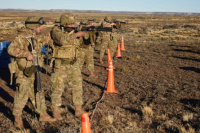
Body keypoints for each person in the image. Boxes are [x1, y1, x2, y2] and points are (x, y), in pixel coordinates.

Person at [7, 16, 55, 128]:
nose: (42, 27)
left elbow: (44, 41)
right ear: (34, 26)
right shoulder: (22, 37)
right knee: (21, 95)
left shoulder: (35, 37)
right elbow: (11, 49)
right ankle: (17, 119)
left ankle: (42, 114)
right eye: (40, 25)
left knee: (38, 92)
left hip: (34, 70)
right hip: (24, 72)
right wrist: (26, 54)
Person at [50, 13, 86, 119]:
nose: (72, 25)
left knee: (77, 87)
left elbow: (83, 44)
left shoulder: (72, 32)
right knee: (57, 88)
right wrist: (76, 34)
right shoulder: (56, 31)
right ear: (64, 23)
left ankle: (78, 109)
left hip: (74, 64)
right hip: (60, 66)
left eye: (73, 23)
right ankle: (55, 111)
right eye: (69, 23)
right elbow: (62, 40)